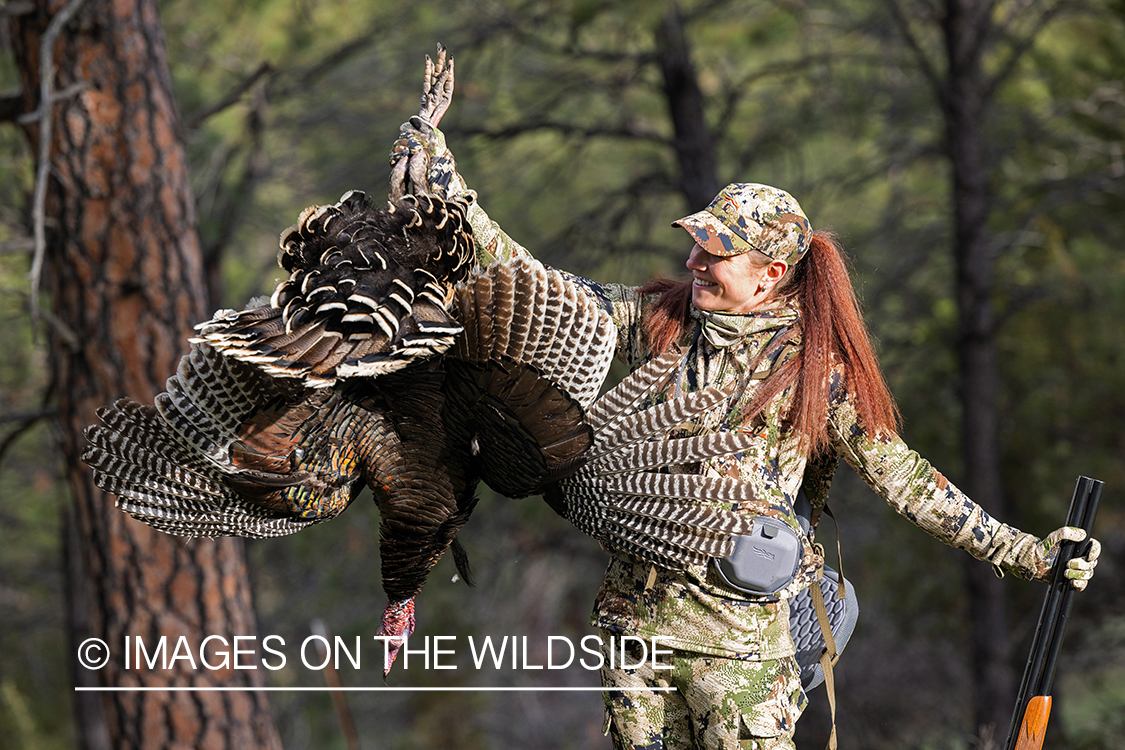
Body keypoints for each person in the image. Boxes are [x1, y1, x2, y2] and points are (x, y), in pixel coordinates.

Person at [388, 57, 1100, 750]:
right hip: (639, 637)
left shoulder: (815, 372)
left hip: (742, 656)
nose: (695, 262)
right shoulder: (659, 320)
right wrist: (444, 182)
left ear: (770, 274)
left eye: (716, 253)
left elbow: (908, 483)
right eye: (697, 245)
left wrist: (1027, 554)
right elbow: (535, 285)